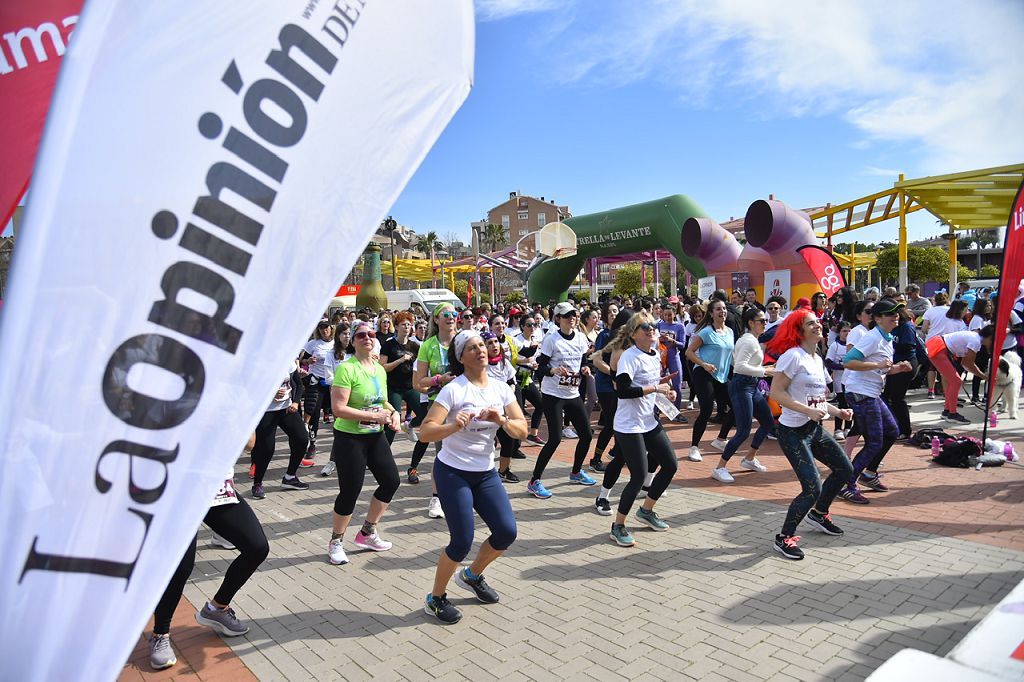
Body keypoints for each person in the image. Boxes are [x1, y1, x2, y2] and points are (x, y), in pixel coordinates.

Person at [419, 331, 527, 625]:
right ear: (460, 357)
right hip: (453, 472)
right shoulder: (454, 390)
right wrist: (453, 425)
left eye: (482, 345)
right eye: (472, 347)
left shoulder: (500, 388)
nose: (480, 350)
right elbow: (426, 432)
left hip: (485, 472)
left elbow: (522, 430)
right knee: (461, 540)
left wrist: (501, 420)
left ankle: (472, 575)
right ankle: (436, 598)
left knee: (506, 532)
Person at [147, 456, 270, 669]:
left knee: (257, 547)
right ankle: (160, 634)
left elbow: (251, 444)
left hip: (215, 487)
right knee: (181, 566)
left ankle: (217, 609)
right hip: (177, 490)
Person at [767, 309, 854, 560]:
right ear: (799, 330)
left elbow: (817, 400)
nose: (818, 326)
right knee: (811, 487)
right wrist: (806, 410)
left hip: (814, 429)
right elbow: (776, 393)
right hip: (792, 432)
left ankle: (818, 514)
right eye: (810, 323)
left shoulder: (817, 358)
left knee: (844, 469)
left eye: (818, 322)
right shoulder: (792, 357)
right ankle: (784, 538)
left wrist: (839, 411)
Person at [326, 321, 402, 565]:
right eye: (361, 335)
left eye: (371, 334)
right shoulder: (346, 369)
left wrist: (394, 413)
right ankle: (336, 541)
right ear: (352, 340)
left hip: (375, 435)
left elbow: (384, 402)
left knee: (391, 481)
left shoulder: (379, 369)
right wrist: (373, 416)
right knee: (350, 491)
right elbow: (338, 409)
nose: (367, 338)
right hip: (349, 437)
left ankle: (368, 532)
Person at [606, 312, 679, 546]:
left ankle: (646, 510)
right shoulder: (630, 356)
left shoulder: (655, 354)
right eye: (644, 327)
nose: (650, 329)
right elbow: (623, 391)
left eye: (653, 326)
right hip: (628, 425)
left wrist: (666, 394)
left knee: (670, 465)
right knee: (638, 475)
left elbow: (653, 389)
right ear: (634, 334)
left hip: (649, 421)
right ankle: (617, 525)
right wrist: (655, 388)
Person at [840, 299, 913, 504]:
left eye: (897, 313)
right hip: (860, 393)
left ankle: (869, 473)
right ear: (878, 318)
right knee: (874, 442)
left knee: (891, 431)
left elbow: (882, 367)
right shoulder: (872, 337)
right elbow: (848, 362)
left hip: (871, 393)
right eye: (891, 314)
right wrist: (878, 364)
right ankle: (847, 484)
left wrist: (897, 368)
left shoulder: (887, 337)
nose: (895, 316)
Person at [528, 301, 597, 499]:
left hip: (573, 393)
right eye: (568, 316)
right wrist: (553, 370)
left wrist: (586, 370)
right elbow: (540, 369)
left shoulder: (581, 338)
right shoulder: (551, 339)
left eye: (574, 315)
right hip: (553, 395)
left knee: (586, 435)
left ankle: (576, 472)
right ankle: (534, 481)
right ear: (558, 319)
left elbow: (584, 362)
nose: (573, 318)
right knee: (555, 438)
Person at [712, 308, 773, 483]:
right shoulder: (749, 341)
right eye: (761, 321)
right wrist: (765, 371)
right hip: (742, 386)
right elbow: (739, 367)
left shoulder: (751, 340)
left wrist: (765, 371)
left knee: (767, 422)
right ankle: (719, 467)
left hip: (751, 386)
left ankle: (749, 459)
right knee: (743, 431)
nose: (765, 324)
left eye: (765, 320)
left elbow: (736, 361)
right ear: (751, 323)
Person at [411, 303, 461, 518]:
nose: (451, 317)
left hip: (465, 401)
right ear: (437, 320)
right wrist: (439, 379)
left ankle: (464, 494)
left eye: (454, 313)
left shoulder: (464, 340)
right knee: (442, 453)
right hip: (439, 403)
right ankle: (436, 499)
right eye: (446, 314)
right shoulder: (428, 345)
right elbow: (418, 382)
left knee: (467, 449)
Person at [684, 299, 736, 462]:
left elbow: (730, 355)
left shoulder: (729, 331)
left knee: (736, 405)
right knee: (706, 410)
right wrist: (704, 364)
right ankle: (694, 447)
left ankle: (720, 439)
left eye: (724, 309)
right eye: (718, 309)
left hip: (721, 375)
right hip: (703, 373)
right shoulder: (706, 332)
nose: (722, 312)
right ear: (712, 313)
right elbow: (689, 352)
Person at [250, 361, 311, 499]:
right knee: (266, 449)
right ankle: (257, 483)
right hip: (266, 411)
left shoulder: (288, 361)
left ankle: (290, 477)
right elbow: (250, 390)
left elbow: (298, 385)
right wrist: (270, 393)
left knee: (301, 439)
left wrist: (295, 402)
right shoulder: (258, 365)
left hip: (286, 409)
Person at [927, 325, 995, 424]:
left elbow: (965, 363)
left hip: (938, 346)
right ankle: (952, 414)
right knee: (956, 381)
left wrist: (982, 375)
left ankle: (947, 411)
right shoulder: (975, 341)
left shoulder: (974, 337)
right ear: (989, 338)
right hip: (939, 348)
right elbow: (969, 364)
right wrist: (984, 376)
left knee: (953, 382)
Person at [482, 331, 523, 482]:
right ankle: (484, 471)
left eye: (495, 342)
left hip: (501, 411)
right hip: (485, 412)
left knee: (508, 441)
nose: (494, 345)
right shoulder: (482, 365)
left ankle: (504, 471)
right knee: (488, 444)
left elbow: (511, 380)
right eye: (489, 343)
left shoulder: (504, 362)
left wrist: (511, 388)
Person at [588, 303, 624, 472]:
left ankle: (618, 452)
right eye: (609, 312)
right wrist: (614, 374)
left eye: (615, 311)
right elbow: (597, 360)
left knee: (621, 421)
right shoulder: (604, 335)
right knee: (610, 424)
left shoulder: (625, 335)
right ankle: (596, 459)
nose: (612, 314)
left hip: (620, 385)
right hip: (606, 385)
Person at [379, 311, 422, 450]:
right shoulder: (389, 344)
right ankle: (382, 453)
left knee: (424, 414)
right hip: (394, 388)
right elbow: (383, 367)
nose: (407, 327)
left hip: (410, 387)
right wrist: (400, 360)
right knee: (393, 421)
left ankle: (409, 426)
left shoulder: (415, 346)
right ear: (396, 327)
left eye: (409, 325)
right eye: (403, 324)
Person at [885, 307, 924, 439]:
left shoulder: (906, 327)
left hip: (906, 363)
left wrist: (889, 346)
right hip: (893, 364)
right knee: (886, 396)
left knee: (897, 398)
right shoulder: (889, 327)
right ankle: (892, 426)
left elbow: (908, 346)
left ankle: (905, 430)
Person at [300, 320, 335, 464]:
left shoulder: (336, 343)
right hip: (316, 379)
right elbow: (302, 359)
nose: (324, 330)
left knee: (337, 412)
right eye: (321, 328)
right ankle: (312, 443)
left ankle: (340, 444)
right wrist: (308, 361)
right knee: (313, 411)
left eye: (326, 327)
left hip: (333, 381)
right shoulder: (313, 343)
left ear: (331, 328)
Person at [512, 315, 546, 446]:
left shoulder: (536, 340)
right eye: (529, 325)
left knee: (541, 404)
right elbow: (511, 360)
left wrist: (536, 364)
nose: (532, 327)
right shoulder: (516, 340)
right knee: (518, 411)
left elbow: (536, 358)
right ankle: (515, 444)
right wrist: (525, 361)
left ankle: (533, 434)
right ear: (522, 327)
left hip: (529, 378)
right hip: (517, 378)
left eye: (534, 325)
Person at [657, 301, 688, 418]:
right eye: (665, 315)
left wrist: (672, 341)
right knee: (658, 384)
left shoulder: (679, 326)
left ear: (674, 314)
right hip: (661, 358)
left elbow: (683, 344)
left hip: (674, 356)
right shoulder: (659, 325)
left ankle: (677, 411)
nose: (667, 317)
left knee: (677, 384)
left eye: (670, 315)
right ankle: (657, 410)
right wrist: (659, 339)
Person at [825, 321, 852, 441]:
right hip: (839, 380)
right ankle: (837, 429)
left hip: (852, 380)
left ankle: (848, 428)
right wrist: (842, 367)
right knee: (842, 404)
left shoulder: (854, 346)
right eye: (844, 331)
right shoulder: (835, 346)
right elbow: (829, 362)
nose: (847, 333)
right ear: (839, 332)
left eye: (849, 331)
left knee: (850, 404)